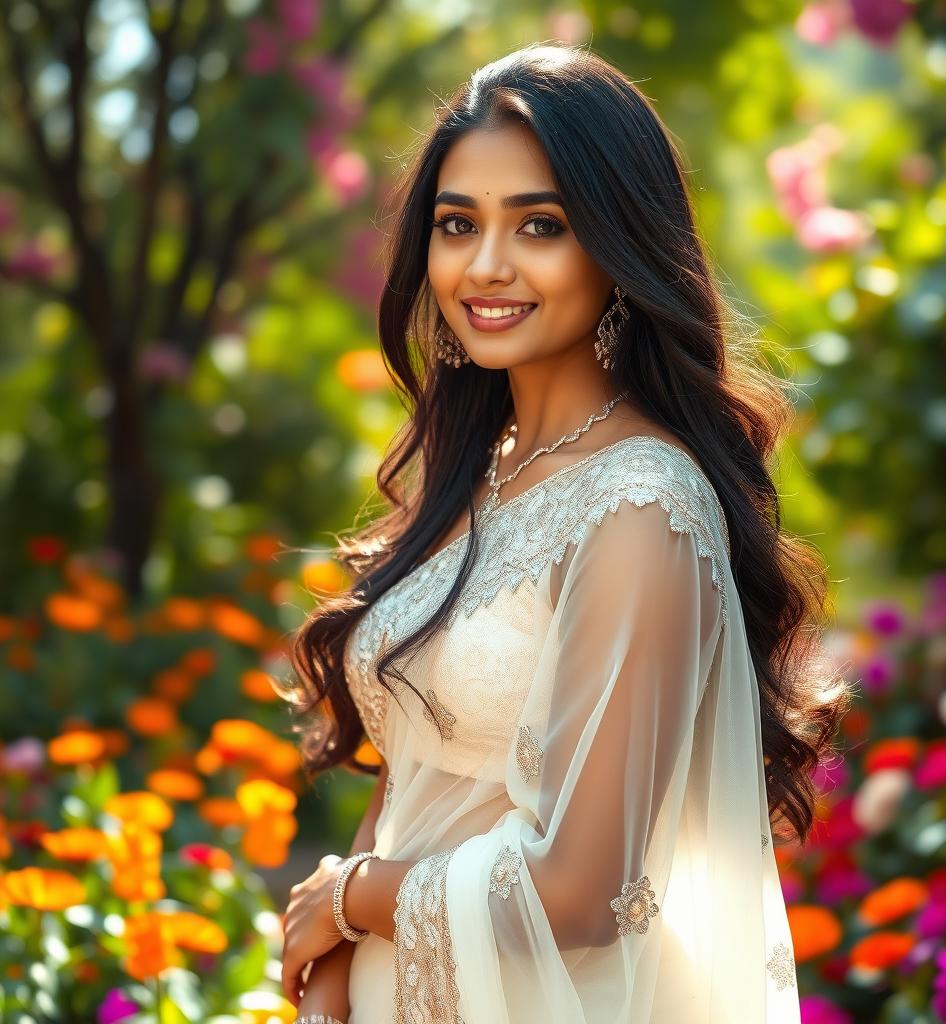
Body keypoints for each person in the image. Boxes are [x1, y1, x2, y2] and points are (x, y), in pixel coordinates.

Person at [279, 40, 849, 1024]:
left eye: (539, 224)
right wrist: (329, 979)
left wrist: (345, 895)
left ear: (615, 246)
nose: (486, 265)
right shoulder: (475, 475)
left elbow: (582, 889)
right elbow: (414, 765)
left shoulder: (637, 502)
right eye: (458, 225)